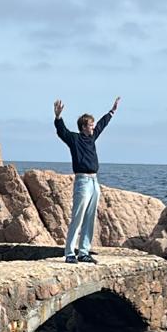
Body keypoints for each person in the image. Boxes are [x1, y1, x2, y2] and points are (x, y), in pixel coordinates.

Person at [52, 96, 121, 263]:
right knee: (78, 217)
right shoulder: (74, 139)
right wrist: (58, 117)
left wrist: (112, 112)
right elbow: (62, 132)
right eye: (90, 125)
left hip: (94, 181)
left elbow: (102, 125)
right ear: (83, 127)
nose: (93, 127)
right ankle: (69, 253)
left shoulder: (92, 137)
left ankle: (83, 252)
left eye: (93, 125)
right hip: (82, 181)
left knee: (90, 218)